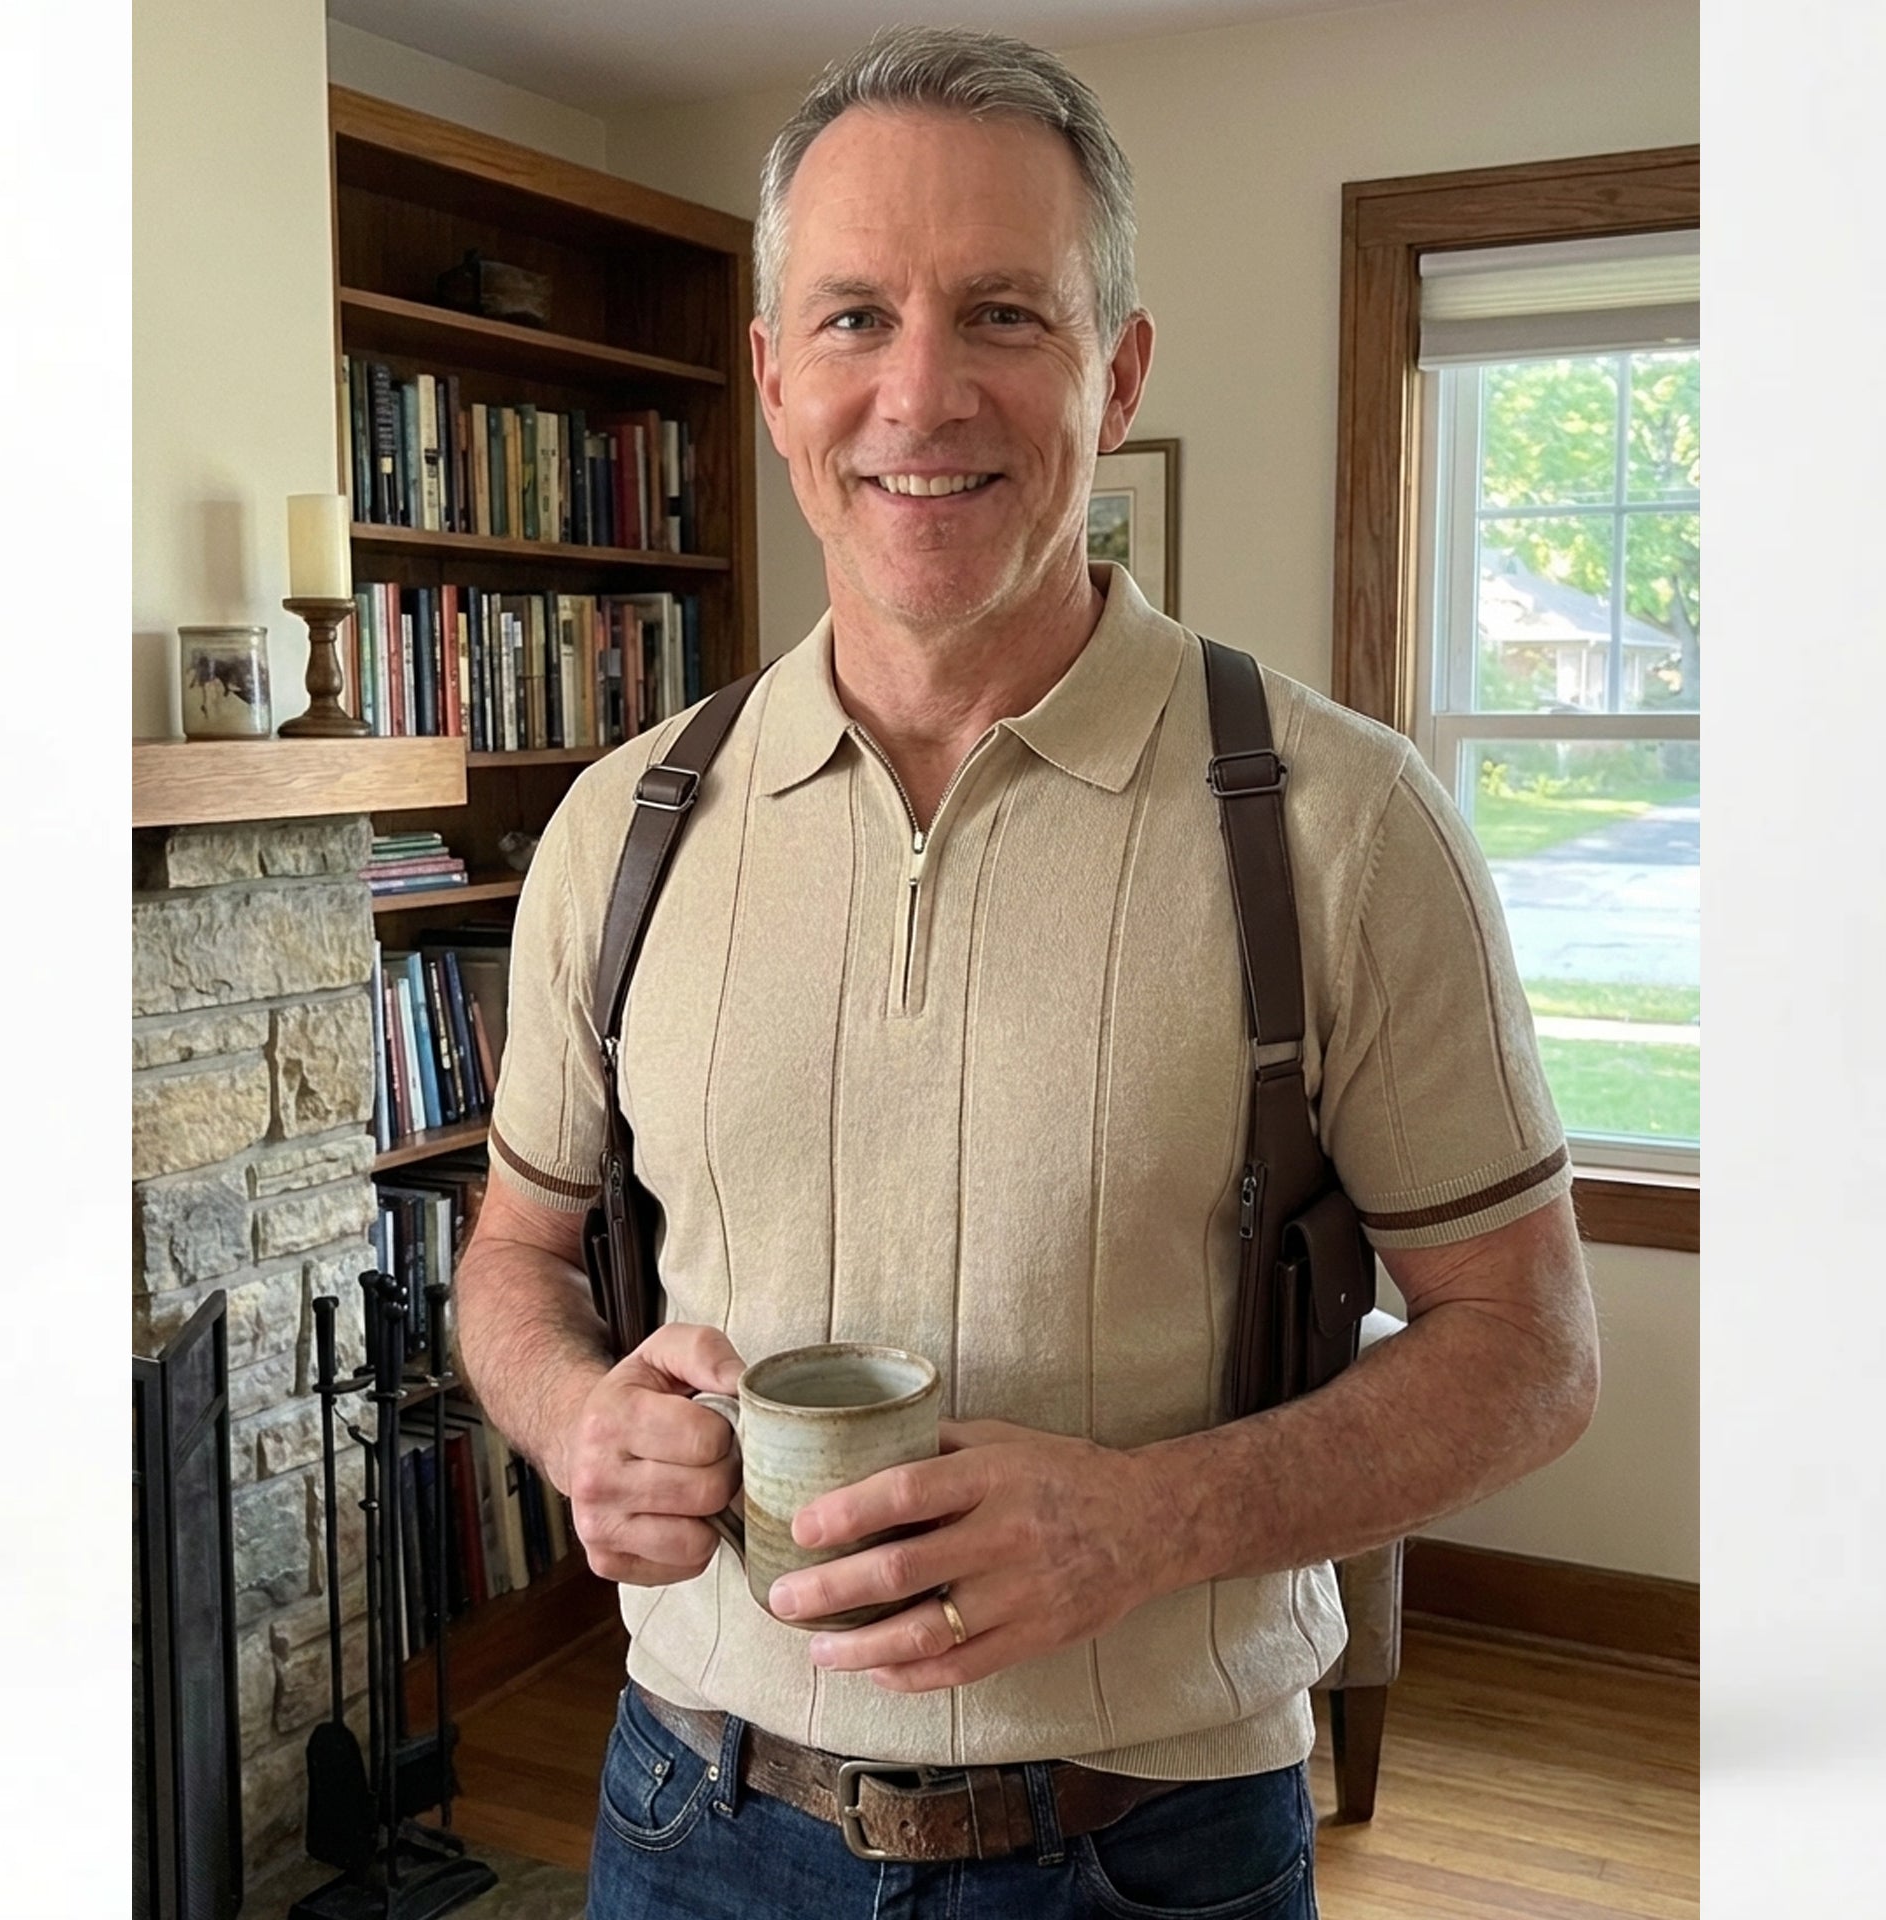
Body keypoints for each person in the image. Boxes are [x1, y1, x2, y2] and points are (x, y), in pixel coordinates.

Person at [453, 25, 1600, 1919]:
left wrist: (1154, 1522)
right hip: (690, 1823)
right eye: (854, 318)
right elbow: (512, 1256)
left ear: (1116, 370)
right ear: (772, 377)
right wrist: (576, 1420)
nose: (921, 395)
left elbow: (1533, 1352)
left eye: (1003, 314)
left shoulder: (1343, 821)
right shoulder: (618, 830)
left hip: (1154, 1852)